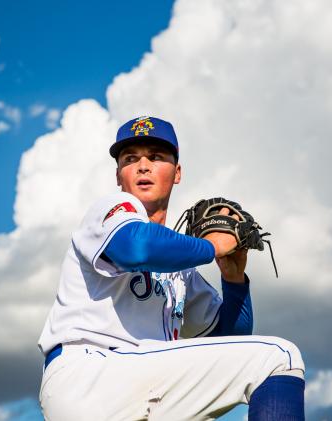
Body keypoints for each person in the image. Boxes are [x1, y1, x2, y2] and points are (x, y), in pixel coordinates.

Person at [37, 116, 305, 420]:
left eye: (156, 156)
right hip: (90, 372)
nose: (142, 165)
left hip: (139, 385)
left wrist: (233, 278)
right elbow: (135, 248)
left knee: (260, 364)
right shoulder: (110, 211)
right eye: (130, 158)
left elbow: (228, 339)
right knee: (278, 358)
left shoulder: (181, 271)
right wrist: (212, 246)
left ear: (177, 173)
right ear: (118, 175)